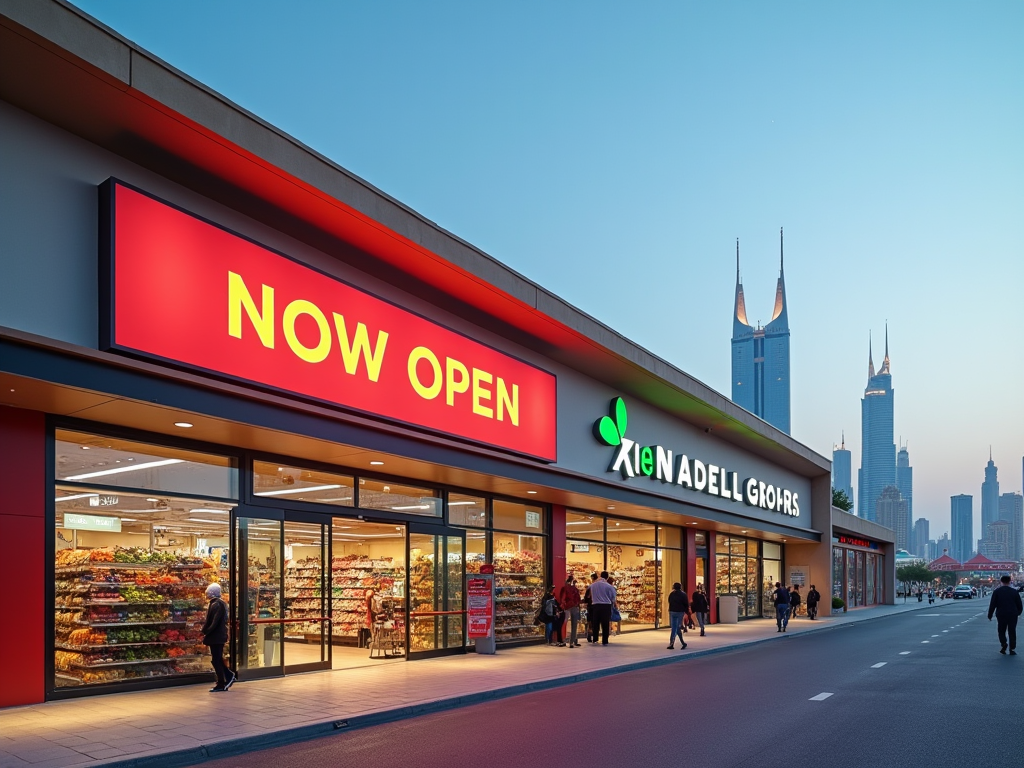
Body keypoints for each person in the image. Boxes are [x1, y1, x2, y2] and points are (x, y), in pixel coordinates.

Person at [202, 583, 235, 692]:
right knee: (217, 659)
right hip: (217, 636)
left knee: (216, 659)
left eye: (207, 592)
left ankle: (223, 681)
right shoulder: (218, 603)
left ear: (211, 593)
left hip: (216, 636)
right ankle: (227, 677)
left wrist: (205, 631)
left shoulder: (216, 604)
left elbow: (214, 622)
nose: (206, 594)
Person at [987, 574, 1023, 655]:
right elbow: (1019, 604)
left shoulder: (997, 592)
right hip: (1012, 614)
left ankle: (1003, 643)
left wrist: (990, 614)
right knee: (1012, 631)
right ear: (1010, 581)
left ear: (1001, 581)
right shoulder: (1014, 592)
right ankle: (1012, 648)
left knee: (1001, 630)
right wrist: (1018, 613)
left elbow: (993, 604)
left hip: (1001, 613)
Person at [588, 571, 616, 645]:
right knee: (605, 623)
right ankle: (605, 640)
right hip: (606, 605)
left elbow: (590, 595)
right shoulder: (608, 586)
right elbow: (613, 596)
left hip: (595, 605)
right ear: (607, 577)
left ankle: (595, 639)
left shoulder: (593, 585)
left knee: (595, 623)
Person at [559, 575, 582, 647]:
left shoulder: (564, 588)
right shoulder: (575, 589)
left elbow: (562, 598)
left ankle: (563, 640)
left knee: (564, 623)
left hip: (566, 607)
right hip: (574, 607)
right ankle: (572, 641)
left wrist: (563, 606)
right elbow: (578, 598)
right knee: (574, 624)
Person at [666, 582, 689, 649]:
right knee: (677, 628)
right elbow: (686, 604)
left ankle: (672, 643)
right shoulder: (683, 594)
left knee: (674, 628)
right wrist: (686, 612)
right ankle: (682, 643)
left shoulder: (671, 594)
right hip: (680, 612)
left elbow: (669, 601)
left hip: (672, 611)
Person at [583, 573, 598, 643]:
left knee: (590, 622)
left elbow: (586, 598)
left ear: (592, 578)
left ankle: (589, 635)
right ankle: (595, 636)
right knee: (596, 621)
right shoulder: (598, 587)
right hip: (597, 606)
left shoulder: (590, 587)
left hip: (590, 606)